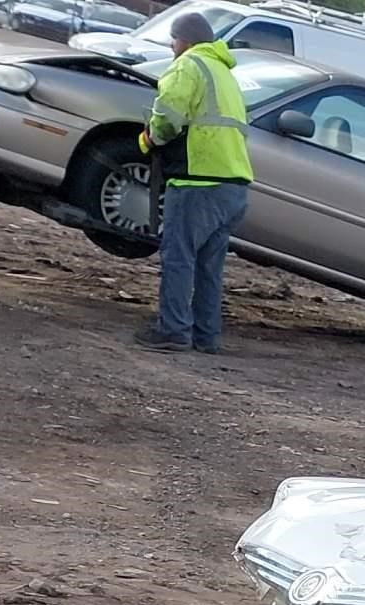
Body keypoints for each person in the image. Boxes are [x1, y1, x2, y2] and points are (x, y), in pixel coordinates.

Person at [134, 12, 253, 353]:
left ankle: (172, 330)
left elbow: (169, 117)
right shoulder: (224, 73)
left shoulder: (188, 65)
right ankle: (206, 336)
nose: (172, 47)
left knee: (178, 256)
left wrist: (149, 139)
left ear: (182, 40)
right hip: (232, 184)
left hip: (197, 181)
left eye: (173, 41)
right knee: (208, 265)